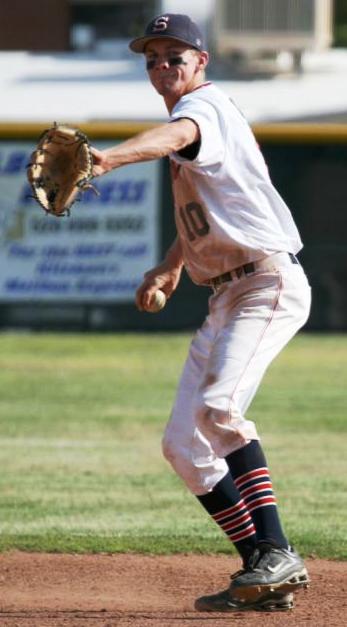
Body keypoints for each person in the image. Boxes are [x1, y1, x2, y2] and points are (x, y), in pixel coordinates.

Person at [91, 13, 311, 613]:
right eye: (152, 58)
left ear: (201, 61)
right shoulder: (190, 120)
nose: (162, 66)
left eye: (174, 55)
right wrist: (171, 265)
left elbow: (174, 135)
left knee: (219, 408)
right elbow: (208, 217)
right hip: (226, 293)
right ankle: (264, 571)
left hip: (266, 283)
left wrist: (106, 159)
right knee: (184, 447)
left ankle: (277, 551)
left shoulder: (205, 109)